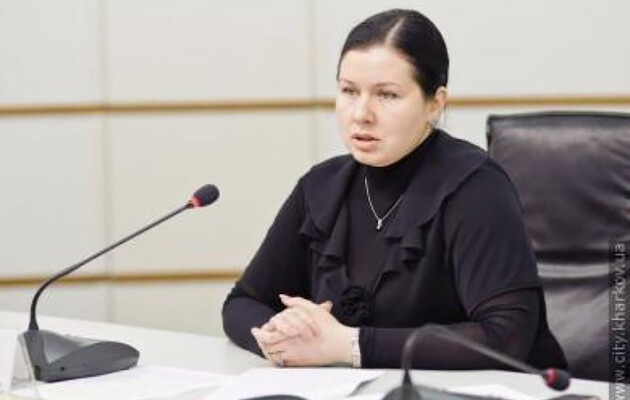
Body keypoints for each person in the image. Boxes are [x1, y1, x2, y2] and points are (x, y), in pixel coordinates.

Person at [222, 9, 567, 370]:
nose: (361, 113)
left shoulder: (476, 187)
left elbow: (506, 337)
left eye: (387, 95)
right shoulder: (321, 187)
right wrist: (279, 336)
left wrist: (349, 345)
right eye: (348, 91)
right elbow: (242, 302)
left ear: (435, 104)